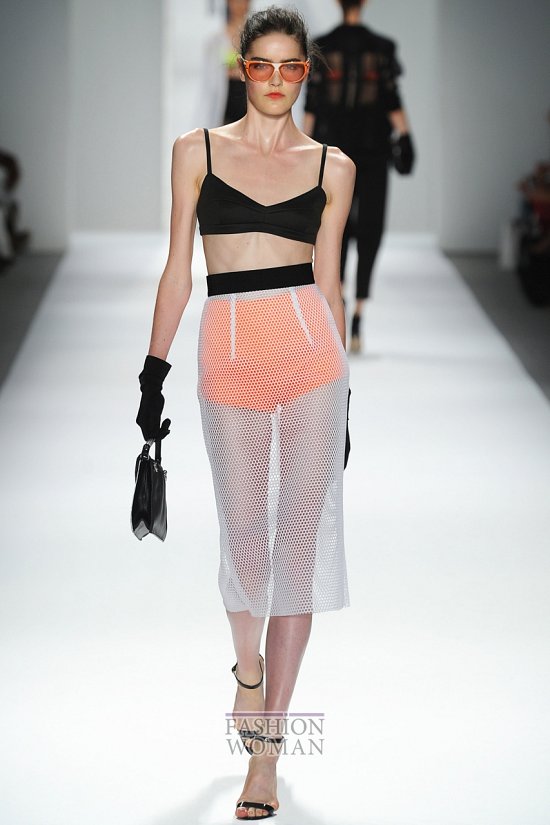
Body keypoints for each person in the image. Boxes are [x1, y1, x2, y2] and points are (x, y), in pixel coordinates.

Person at [136, 7, 355, 820]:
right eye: (261, 64)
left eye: (290, 66)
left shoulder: (334, 165)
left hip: (311, 358)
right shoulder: (194, 151)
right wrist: (153, 372)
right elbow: (178, 271)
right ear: (242, 67)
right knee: (245, 544)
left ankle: (266, 753)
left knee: (297, 548)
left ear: (306, 73)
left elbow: (328, 285)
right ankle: (248, 670)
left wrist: (345, 397)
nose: (274, 79)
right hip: (228, 355)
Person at [304, 0, 415, 352]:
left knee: (333, 228)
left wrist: (303, 150)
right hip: (373, 150)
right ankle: (357, 316)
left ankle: (338, 300)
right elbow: (391, 97)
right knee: (371, 227)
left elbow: (312, 103)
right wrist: (406, 137)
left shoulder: (322, 47)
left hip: (333, 152)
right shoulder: (382, 48)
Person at [199, 0, 251, 127]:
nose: (240, 4)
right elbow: (210, 78)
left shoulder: (256, 38)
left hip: (248, 96)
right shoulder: (216, 40)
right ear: (228, 3)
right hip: (225, 100)